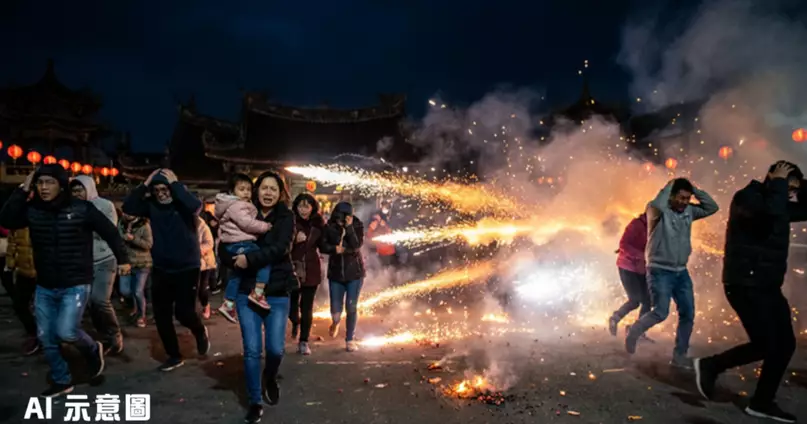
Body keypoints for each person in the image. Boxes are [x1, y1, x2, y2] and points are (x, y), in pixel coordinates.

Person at [0, 164, 129, 397]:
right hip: (45, 284)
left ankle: (93, 349)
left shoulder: (81, 208)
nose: (44, 187)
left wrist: (123, 260)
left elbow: (110, 232)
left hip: (76, 282)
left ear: (61, 185)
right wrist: (22, 189)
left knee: (67, 332)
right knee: (46, 336)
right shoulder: (32, 210)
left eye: (49, 182)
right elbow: (7, 219)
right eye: (40, 183)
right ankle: (62, 379)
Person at [694, 162, 807, 423]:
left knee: (782, 344)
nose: (791, 193)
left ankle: (752, 396)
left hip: (767, 285)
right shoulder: (748, 198)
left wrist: (800, 186)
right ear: (772, 179)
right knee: (770, 344)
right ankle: (719, 370)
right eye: (787, 185)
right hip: (744, 284)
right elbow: (773, 214)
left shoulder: (779, 201)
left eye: (794, 189)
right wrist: (779, 183)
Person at [217, 171, 296, 424]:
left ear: (280, 193)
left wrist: (249, 259)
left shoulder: (285, 217)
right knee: (252, 350)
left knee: (275, 349)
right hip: (246, 290)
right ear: (256, 190)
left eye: (273, 188)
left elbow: (280, 248)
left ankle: (269, 376)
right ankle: (255, 401)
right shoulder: (242, 210)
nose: (268, 193)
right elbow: (223, 245)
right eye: (264, 188)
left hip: (276, 291)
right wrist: (231, 259)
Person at [122, 168, 210, 372]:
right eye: (157, 190)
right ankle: (174, 355)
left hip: (187, 266)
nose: (161, 194)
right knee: (161, 315)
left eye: (165, 189)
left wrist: (176, 185)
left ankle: (199, 330)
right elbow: (128, 207)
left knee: (184, 313)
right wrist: (145, 184)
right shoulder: (151, 205)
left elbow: (196, 206)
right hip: (162, 267)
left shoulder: (183, 203)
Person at [625, 178, 719, 367]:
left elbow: (712, 207)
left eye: (688, 198)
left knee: (688, 314)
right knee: (660, 312)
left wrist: (694, 189)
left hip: (681, 272)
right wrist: (669, 185)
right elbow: (656, 203)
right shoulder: (657, 212)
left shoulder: (689, 211)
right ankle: (634, 330)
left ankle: (679, 356)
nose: (684, 202)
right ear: (671, 196)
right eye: (681, 197)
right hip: (659, 271)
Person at [71, 175, 124, 354]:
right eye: (74, 190)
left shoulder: (105, 205)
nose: (77, 193)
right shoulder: (71, 207)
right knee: (88, 302)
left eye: (80, 189)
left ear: (89, 188)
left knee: (100, 300)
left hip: (105, 258)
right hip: (83, 261)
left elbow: (108, 232)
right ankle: (103, 334)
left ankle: (115, 334)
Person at [216, 173, 273, 321]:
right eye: (241, 189)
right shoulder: (237, 206)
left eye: (248, 189)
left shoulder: (235, 205)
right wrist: (265, 226)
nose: (246, 193)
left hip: (234, 243)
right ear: (232, 192)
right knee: (263, 260)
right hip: (240, 243)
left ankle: (228, 303)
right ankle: (258, 292)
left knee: (238, 273)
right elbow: (247, 223)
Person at [319, 202, 365, 352]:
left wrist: (349, 228)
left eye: (344, 219)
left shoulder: (357, 225)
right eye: (339, 219)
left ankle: (350, 339)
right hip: (336, 274)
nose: (341, 222)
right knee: (336, 310)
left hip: (354, 273)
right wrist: (334, 249)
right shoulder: (329, 226)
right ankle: (335, 322)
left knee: (351, 307)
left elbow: (357, 245)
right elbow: (322, 246)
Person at [290, 193, 325, 355]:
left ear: (312, 208)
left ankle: (303, 341)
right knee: (291, 306)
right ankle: (295, 321)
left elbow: (324, 246)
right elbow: (282, 243)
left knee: (307, 307)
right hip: (293, 268)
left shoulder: (318, 225)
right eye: (300, 206)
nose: (303, 210)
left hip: (311, 269)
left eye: (307, 206)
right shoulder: (290, 222)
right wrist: (294, 240)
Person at [609, 213, 653, 342]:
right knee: (635, 301)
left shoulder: (655, 228)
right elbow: (624, 245)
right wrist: (642, 255)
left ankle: (637, 331)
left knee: (648, 300)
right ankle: (615, 318)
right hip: (627, 267)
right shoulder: (636, 225)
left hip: (641, 268)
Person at [5, 226, 39, 354]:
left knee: (44, 307)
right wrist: (10, 263)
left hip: (44, 269)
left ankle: (44, 337)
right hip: (24, 271)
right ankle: (34, 333)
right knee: (19, 305)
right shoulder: (18, 221)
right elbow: (12, 241)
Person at [118, 212, 153, 328]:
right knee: (125, 290)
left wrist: (133, 239)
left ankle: (141, 315)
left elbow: (149, 244)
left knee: (138, 291)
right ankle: (136, 308)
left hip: (142, 263)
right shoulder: (121, 223)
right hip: (126, 262)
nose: (127, 214)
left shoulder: (144, 225)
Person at [197, 215, 216, 319]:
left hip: (205, 262)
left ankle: (206, 305)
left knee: (202, 288)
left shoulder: (203, 227)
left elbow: (209, 243)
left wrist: (196, 249)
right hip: (190, 262)